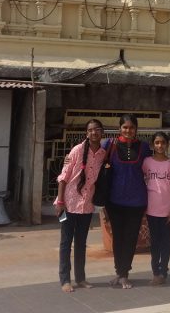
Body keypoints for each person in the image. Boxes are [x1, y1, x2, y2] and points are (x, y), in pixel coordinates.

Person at [54, 119, 107, 293]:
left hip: (86, 206)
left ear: (102, 133)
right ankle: (65, 280)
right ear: (86, 133)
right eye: (91, 130)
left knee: (81, 243)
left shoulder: (102, 154)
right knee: (65, 242)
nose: (94, 133)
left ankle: (81, 278)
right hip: (67, 205)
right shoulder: (76, 150)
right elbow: (63, 177)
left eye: (97, 130)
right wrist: (60, 202)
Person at [103, 113, 152, 289]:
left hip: (136, 201)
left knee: (131, 238)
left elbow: (157, 162)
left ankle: (125, 274)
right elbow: (91, 157)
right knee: (118, 237)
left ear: (136, 129)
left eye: (131, 127)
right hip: (114, 201)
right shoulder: (109, 145)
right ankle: (119, 272)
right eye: (125, 127)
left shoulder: (145, 147)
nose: (128, 130)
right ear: (119, 128)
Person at [142, 131, 170, 286]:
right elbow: (142, 179)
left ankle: (163, 271)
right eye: (157, 142)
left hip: (167, 210)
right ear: (152, 145)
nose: (160, 145)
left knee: (165, 242)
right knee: (155, 242)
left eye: (163, 142)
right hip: (151, 209)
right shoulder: (146, 162)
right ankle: (155, 271)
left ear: (167, 144)